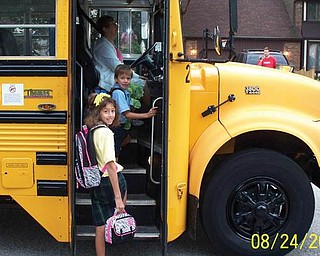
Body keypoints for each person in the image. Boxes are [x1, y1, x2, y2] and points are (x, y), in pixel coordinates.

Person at [84, 93, 127, 256]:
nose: (111, 115)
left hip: (96, 180)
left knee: (100, 226)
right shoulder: (107, 133)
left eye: (113, 111)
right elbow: (110, 165)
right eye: (106, 111)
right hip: (110, 181)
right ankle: (118, 238)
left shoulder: (92, 130)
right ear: (98, 113)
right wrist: (118, 198)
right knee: (118, 215)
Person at [111, 64, 158, 158]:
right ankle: (113, 170)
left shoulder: (125, 92)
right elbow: (127, 114)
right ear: (116, 79)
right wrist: (147, 115)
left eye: (128, 78)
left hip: (122, 126)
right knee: (114, 153)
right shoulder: (118, 93)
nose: (125, 81)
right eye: (122, 78)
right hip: (117, 126)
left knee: (124, 140)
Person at [92, 15, 146, 92]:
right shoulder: (103, 46)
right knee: (143, 84)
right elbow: (118, 67)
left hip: (117, 77)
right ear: (104, 28)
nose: (116, 26)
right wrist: (137, 76)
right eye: (113, 24)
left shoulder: (109, 43)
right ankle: (151, 104)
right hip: (109, 81)